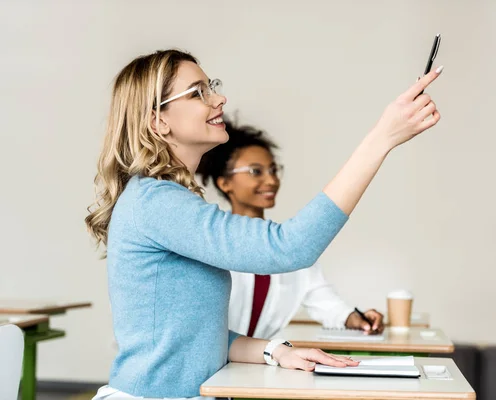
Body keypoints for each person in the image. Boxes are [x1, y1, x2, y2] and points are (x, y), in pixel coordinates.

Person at [85, 49, 442, 399]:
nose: (219, 98)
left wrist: (276, 351)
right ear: (157, 121)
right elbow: (289, 247)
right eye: (198, 93)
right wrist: (381, 140)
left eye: (212, 86)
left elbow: (193, 336)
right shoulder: (156, 202)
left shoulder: (165, 201)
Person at [197, 117, 385, 339]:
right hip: (210, 366)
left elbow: (321, 297)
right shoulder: (211, 241)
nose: (272, 180)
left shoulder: (287, 244)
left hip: (252, 364)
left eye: (273, 170)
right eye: (256, 171)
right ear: (224, 183)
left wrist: (355, 318)